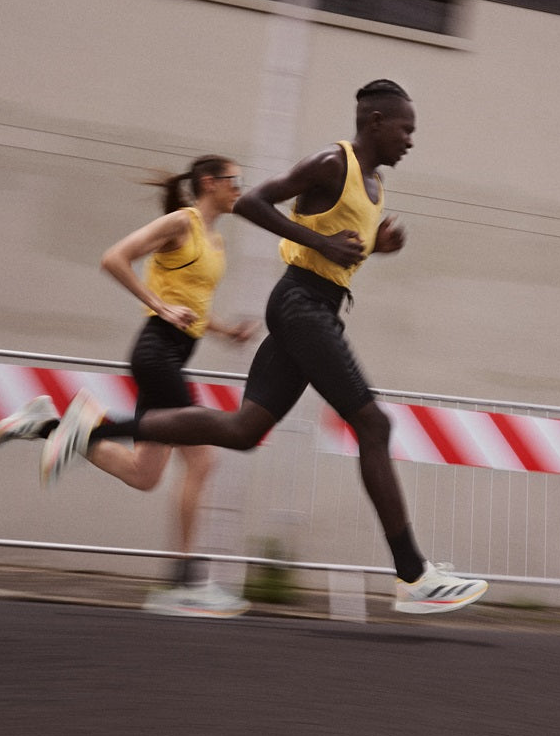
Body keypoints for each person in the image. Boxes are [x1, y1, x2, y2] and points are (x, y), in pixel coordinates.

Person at [40, 80, 488, 616]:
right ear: (374, 121)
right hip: (301, 306)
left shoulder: (375, 185)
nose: (411, 140)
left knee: (243, 430)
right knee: (375, 425)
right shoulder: (332, 163)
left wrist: (378, 246)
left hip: (315, 307)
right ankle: (413, 575)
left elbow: (341, 250)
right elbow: (254, 202)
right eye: (405, 128)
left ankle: (87, 431)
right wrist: (318, 241)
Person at [0, 155, 257, 618]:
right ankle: (187, 582)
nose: (240, 190)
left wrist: (224, 330)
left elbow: (188, 300)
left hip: (173, 354)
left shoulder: (214, 239)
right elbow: (113, 258)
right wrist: (159, 307)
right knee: (203, 458)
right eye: (234, 182)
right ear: (209, 183)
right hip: (156, 352)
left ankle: (51, 427)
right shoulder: (181, 222)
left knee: (144, 475)